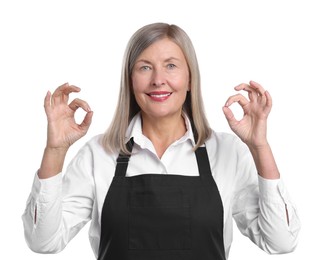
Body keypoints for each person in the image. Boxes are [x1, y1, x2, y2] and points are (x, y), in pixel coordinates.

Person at [22, 22, 300, 260]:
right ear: (130, 80)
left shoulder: (226, 152)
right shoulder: (99, 154)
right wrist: (55, 151)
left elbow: (280, 243)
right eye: (145, 67)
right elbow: (43, 242)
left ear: (190, 78)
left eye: (171, 66)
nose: (158, 80)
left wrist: (259, 147)